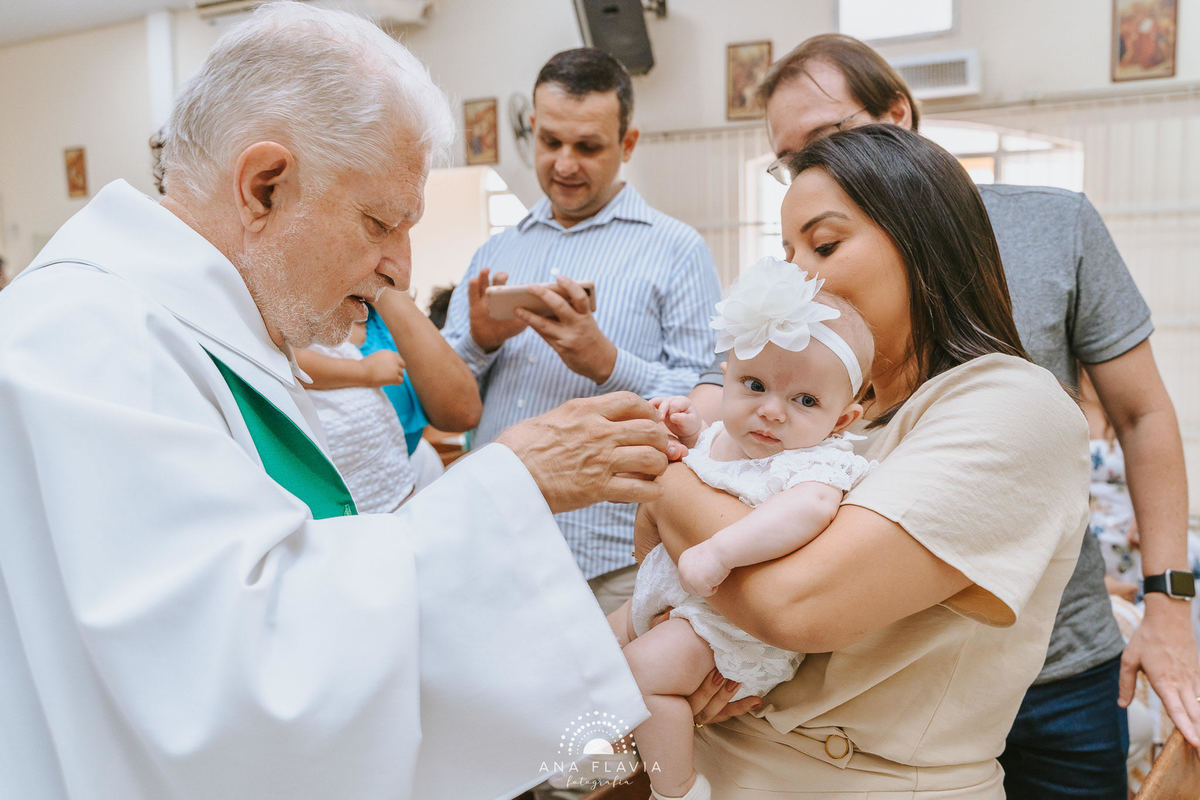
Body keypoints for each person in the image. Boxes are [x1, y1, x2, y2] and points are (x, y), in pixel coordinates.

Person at [0, 5, 678, 798]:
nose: (400, 268)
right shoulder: (90, 339)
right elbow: (239, 679)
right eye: (381, 222)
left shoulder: (196, 326)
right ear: (265, 186)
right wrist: (512, 485)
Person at [687, 32, 1196, 798]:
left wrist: (1169, 603)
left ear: (898, 120)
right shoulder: (832, 355)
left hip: (1054, 645)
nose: (803, 269)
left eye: (830, 140)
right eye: (788, 162)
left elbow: (1145, 415)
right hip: (875, 665)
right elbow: (731, 412)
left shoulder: (1048, 248)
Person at [649, 124, 1090, 797]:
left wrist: (666, 476)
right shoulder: (833, 419)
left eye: (823, 245)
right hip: (722, 753)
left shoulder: (1013, 404)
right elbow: (684, 554)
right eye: (787, 251)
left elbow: (795, 603)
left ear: (922, 242)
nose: (799, 276)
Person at [442, 47, 721, 615]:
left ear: (627, 144)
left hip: (613, 558)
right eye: (550, 142)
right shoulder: (498, 250)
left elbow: (709, 406)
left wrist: (608, 364)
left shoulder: (678, 250)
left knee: (612, 706)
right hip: (498, 541)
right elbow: (448, 397)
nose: (564, 164)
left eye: (588, 147)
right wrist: (478, 341)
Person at [612, 260, 874, 800]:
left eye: (805, 401)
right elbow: (711, 463)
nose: (771, 412)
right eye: (753, 385)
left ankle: (676, 788)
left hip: (724, 628)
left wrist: (722, 551)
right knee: (588, 651)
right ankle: (585, 753)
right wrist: (689, 430)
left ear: (842, 420)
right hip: (675, 599)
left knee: (638, 675)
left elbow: (808, 511)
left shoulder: (816, 465)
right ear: (726, 376)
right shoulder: (728, 438)